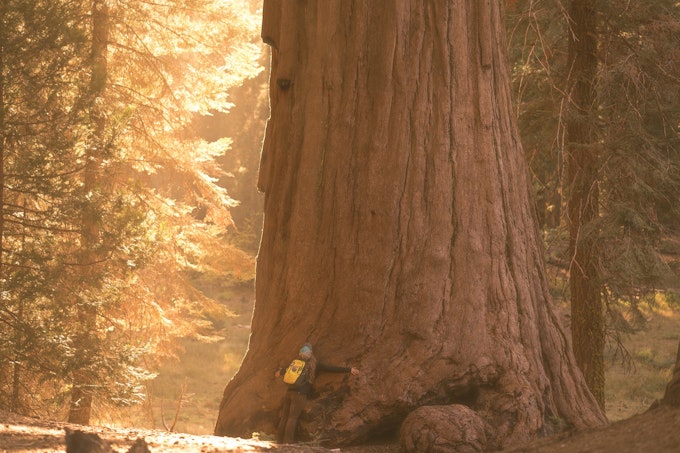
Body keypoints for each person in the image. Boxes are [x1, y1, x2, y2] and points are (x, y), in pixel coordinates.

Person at [274, 342, 360, 444]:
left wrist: (279, 372)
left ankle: (278, 441)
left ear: (300, 352)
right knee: (293, 418)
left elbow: (280, 373)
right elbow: (331, 368)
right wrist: (349, 369)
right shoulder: (315, 364)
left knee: (285, 417)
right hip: (300, 394)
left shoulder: (295, 362)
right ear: (311, 353)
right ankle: (288, 442)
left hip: (289, 392)